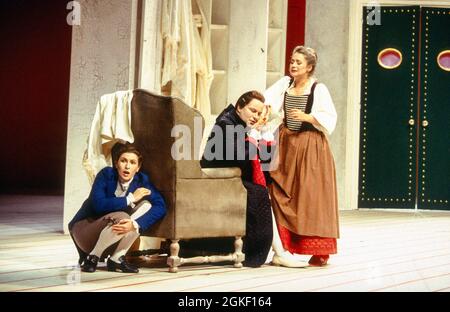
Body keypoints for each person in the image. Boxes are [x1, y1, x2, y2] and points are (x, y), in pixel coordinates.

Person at [263, 46, 339, 267]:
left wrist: (308, 116)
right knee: (277, 190)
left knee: (311, 197)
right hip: (286, 144)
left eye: (298, 62)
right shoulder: (285, 84)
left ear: (309, 67)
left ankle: (319, 250)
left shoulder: (318, 89)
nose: (293, 65)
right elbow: (267, 104)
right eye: (292, 61)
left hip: (310, 146)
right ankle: (284, 246)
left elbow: (329, 117)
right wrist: (265, 115)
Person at [194, 91, 273, 267]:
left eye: (259, 113)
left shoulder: (240, 124)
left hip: (231, 177)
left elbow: (262, 159)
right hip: (217, 180)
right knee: (258, 193)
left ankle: (275, 251)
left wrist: (264, 137)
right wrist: (253, 138)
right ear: (239, 107)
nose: (256, 116)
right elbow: (238, 157)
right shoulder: (226, 123)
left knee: (266, 188)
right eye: (253, 110)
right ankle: (252, 254)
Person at [69, 142, 167, 273]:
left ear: (138, 167)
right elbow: (99, 205)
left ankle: (116, 258)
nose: (127, 166)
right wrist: (130, 198)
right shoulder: (105, 175)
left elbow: (161, 206)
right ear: (116, 164)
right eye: (123, 161)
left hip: (111, 236)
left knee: (146, 206)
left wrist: (135, 224)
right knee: (123, 216)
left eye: (132, 162)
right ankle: (93, 257)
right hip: (86, 231)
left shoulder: (142, 181)